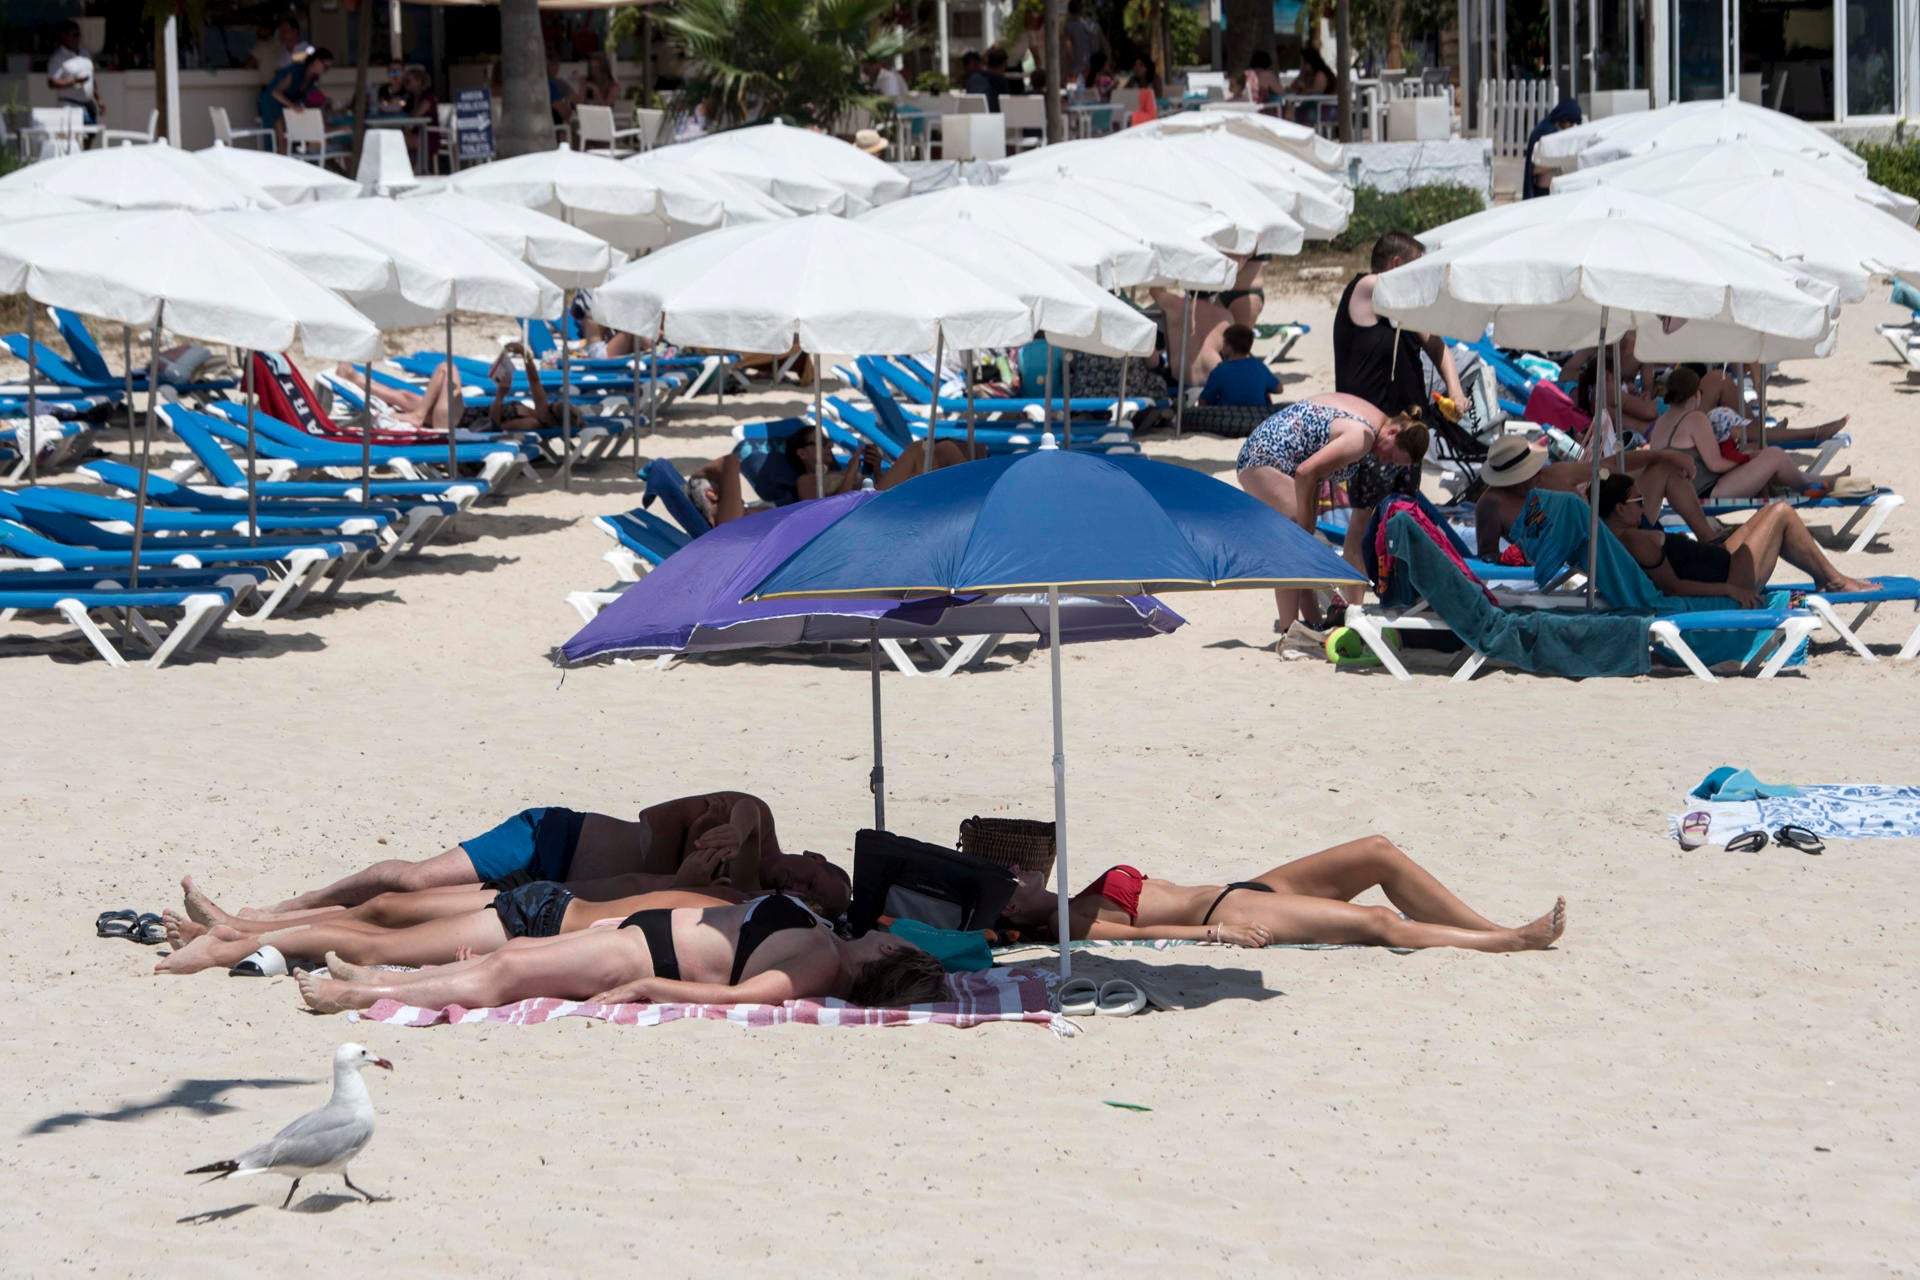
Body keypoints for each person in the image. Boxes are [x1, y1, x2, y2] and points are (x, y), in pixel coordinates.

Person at [295, 894, 948, 1014]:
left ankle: (359, 994)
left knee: (508, 972)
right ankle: (378, 973)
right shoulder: (828, 938)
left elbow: (739, 997)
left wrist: (648, 991)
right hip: (636, 932)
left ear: (884, 954)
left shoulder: (822, 964)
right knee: (517, 950)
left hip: (641, 963)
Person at [249, 791, 817, 913]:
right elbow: (661, 817)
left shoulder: (744, 904)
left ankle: (277, 929)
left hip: (557, 896)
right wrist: (737, 828)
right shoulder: (755, 824)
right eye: (815, 874)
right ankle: (293, 905)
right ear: (812, 856)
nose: (802, 884)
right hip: (553, 838)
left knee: (402, 915)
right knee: (415, 882)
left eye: (813, 896)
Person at [1000, 836, 1566, 954]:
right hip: (1232, 910)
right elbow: (1148, 932)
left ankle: (1488, 923)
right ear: (1014, 910)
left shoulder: (1074, 897)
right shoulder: (1069, 926)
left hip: (1248, 885)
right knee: (1375, 920)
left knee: (1378, 852)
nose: (1021, 872)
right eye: (1012, 882)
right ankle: (1508, 941)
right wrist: (1218, 933)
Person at [1330, 231, 1468, 619]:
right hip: (1369, 438)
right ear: (1395, 266)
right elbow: (1385, 287)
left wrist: (1455, 391)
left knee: (1405, 521)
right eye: (1415, 268)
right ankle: (1354, 611)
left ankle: (1403, 601)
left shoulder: (1403, 311)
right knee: (1361, 525)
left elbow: (1437, 345)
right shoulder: (1366, 288)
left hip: (1406, 436)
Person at [1236, 393, 1428, 636]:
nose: (1385, 461)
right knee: (1294, 540)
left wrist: (1309, 520)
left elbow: (1313, 463)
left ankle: (1312, 625)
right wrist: (1305, 522)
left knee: (1302, 547)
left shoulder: (1372, 417)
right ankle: (1289, 633)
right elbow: (1306, 471)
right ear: (1394, 434)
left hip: (1270, 453)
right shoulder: (1363, 437)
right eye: (1391, 457)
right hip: (1266, 457)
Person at [1597, 473, 1876, 606]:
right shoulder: (1634, 540)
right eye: (1638, 501)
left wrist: (1675, 544)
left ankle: (1827, 577)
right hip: (1730, 576)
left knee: (1766, 512)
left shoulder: (1620, 536)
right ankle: (1833, 580)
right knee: (1781, 513)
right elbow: (1673, 587)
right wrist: (1729, 591)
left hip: (1718, 560)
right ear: (1619, 509)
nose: (1643, 506)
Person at [1473, 435, 1731, 561]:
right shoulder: (1491, 505)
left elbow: (1611, 465)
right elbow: (1489, 556)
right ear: (1509, 481)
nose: (1536, 477)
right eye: (1528, 475)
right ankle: (1709, 552)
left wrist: (1664, 455)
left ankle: (1712, 543)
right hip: (1596, 555)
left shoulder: (1552, 475)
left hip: (1618, 528)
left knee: (1665, 469)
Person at [1644, 367, 1837, 501]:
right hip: (1706, 491)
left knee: (1759, 455)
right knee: (1773, 455)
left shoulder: (1661, 423)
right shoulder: (1695, 419)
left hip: (1681, 493)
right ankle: (1807, 486)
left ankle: (1821, 481)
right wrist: (1745, 458)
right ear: (1696, 394)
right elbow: (1716, 464)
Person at [792, 431, 975, 502]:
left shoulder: (837, 471)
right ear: (802, 453)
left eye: (828, 440)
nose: (830, 445)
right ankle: (971, 497)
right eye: (821, 442)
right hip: (859, 512)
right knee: (917, 449)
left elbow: (875, 487)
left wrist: (877, 470)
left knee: (945, 449)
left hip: (876, 501)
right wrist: (851, 472)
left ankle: (970, 496)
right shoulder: (805, 481)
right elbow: (825, 511)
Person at [260, 47, 332, 147]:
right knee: (281, 143)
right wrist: (293, 106)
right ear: (316, 62)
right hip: (273, 104)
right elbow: (276, 92)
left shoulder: (312, 78)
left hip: (288, 107)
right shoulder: (296, 70)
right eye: (325, 67)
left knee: (291, 141)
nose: (326, 71)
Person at [1198, 325, 1278, 406]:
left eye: (1224, 344)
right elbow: (1279, 389)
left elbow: (1203, 400)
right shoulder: (1259, 366)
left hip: (1228, 416)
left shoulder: (1221, 370)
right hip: (1257, 415)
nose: (1222, 348)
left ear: (1229, 347)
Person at [47, 22, 104, 130]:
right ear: (64, 36)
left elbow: (91, 79)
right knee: (78, 135)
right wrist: (73, 81)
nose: (77, 38)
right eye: (74, 35)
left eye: (79, 35)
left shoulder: (85, 54)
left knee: (91, 133)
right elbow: (52, 82)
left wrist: (99, 99)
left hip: (88, 104)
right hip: (71, 105)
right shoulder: (58, 58)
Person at [1522, 99, 1582, 200]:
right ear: (1564, 118)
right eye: (1570, 123)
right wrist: (1560, 163)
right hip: (1543, 191)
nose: (1571, 127)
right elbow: (1534, 169)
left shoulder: (1552, 130)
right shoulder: (1545, 133)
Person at [1063, 0, 1105, 86]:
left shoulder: (1069, 28)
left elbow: (1068, 49)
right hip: (1095, 70)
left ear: (1069, 11)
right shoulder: (1094, 26)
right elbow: (1104, 45)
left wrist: (1066, 71)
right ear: (1081, 11)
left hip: (1078, 71)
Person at [547, 60, 575, 126]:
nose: (554, 68)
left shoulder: (560, 83)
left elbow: (575, 99)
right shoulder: (545, 82)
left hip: (558, 112)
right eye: (551, 65)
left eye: (556, 65)